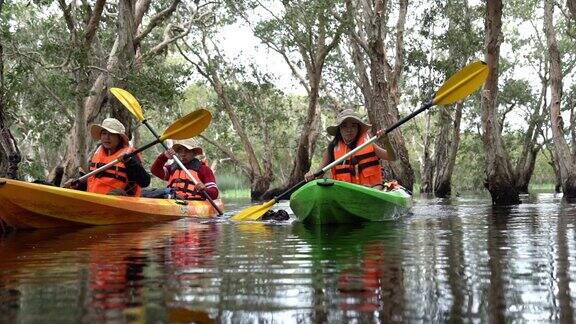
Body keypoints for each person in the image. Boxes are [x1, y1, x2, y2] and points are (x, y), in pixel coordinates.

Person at [304, 109, 396, 190]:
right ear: (339, 129)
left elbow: (392, 157)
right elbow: (319, 174)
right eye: (344, 126)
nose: (349, 130)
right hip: (345, 191)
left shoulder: (368, 144)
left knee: (375, 189)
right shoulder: (332, 148)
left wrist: (386, 141)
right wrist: (311, 176)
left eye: (353, 126)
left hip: (372, 188)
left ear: (358, 128)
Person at [64, 118, 151, 196]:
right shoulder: (97, 153)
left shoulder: (129, 155)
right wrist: (77, 184)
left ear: (119, 138)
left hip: (118, 204)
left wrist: (129, 161)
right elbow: (93, 181)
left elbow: (145, 182)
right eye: (104, 134)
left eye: (111, 134)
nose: (107, 137)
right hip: (95, 200)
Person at [150, 138, 219, 200]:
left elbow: (214, 194)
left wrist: (205, 189)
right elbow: (154, 171)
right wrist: (163, 157)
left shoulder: (204, 169)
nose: (183, 154)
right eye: (180, 151)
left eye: (187, 151)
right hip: (173, 199)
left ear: (194, 153)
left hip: (193, 202)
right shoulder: (172, 167)